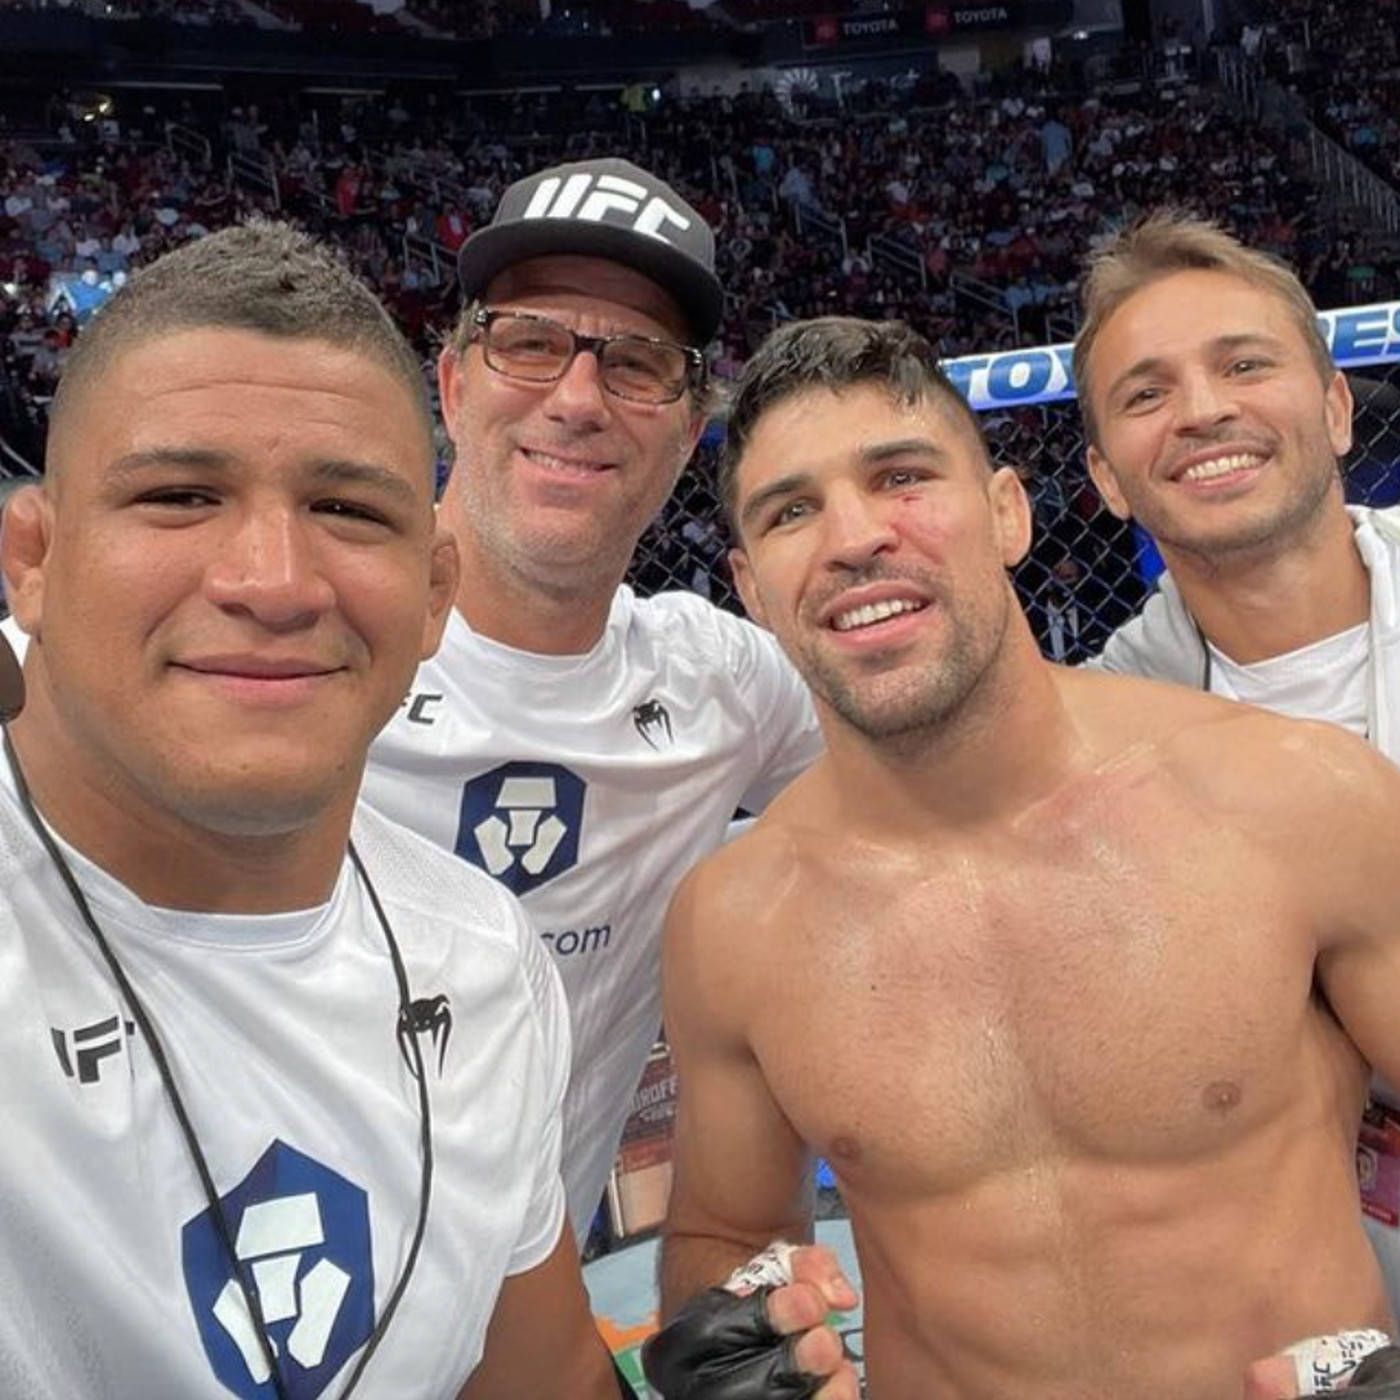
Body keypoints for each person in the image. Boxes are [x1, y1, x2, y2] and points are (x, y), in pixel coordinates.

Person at [645, 316, 1400, 1400]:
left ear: (1006, 511)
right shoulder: (732, 921)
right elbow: (721, 1237)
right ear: (750, 585)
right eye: (789, 510)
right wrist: (728, 1334)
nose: (853, 535)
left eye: (899, 475)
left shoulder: (1296, 799)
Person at [0, 221, 619, 1399]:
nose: (274, 582)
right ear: (31, 555)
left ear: (435, 592)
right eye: (180, 495)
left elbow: (542, 1378)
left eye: (348, 511)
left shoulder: (484, 958)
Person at [361, 157, 821, 1246]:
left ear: (689, 423)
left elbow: (951, 791)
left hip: (522, 1322)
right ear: (453, 383)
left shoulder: (722, 680)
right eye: (529, 341)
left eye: (637, 361)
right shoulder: (294, 629)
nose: (575, 399)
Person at [1077, 209, 1400, 1316]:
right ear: (1106, 477)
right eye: (1144, 392)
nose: (1202, 409)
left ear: (1334, 405)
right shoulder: (1095, 737)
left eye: (1242, 363)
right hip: (1299, 1251)